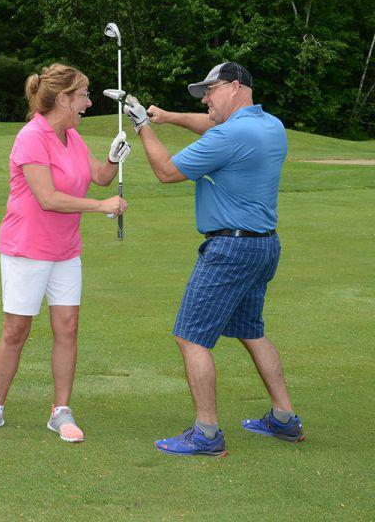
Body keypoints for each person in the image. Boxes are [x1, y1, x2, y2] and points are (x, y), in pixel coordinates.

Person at [123, 61, 305, 457]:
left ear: (235, 87)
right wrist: (169, 117)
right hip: (263, 246)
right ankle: (284, 418)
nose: (205, 98)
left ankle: (206, 433)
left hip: (230, 250)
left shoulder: (230, 135)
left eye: (211, 90)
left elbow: (167, 172)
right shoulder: (270, 126)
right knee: (252, 331)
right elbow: (214, 126)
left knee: (190, 337)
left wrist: (143, 126)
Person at [0, 63, 129, 443]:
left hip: (65, 250)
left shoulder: (73, 136)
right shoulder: (31, 137)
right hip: (27, 249)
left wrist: (114, 157)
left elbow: (100, 177)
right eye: (84, 95)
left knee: (67, 328)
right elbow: (48, 198)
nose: (89, 103)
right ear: (64, 99)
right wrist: (100, 206)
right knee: (15, 330)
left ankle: (61, 411)